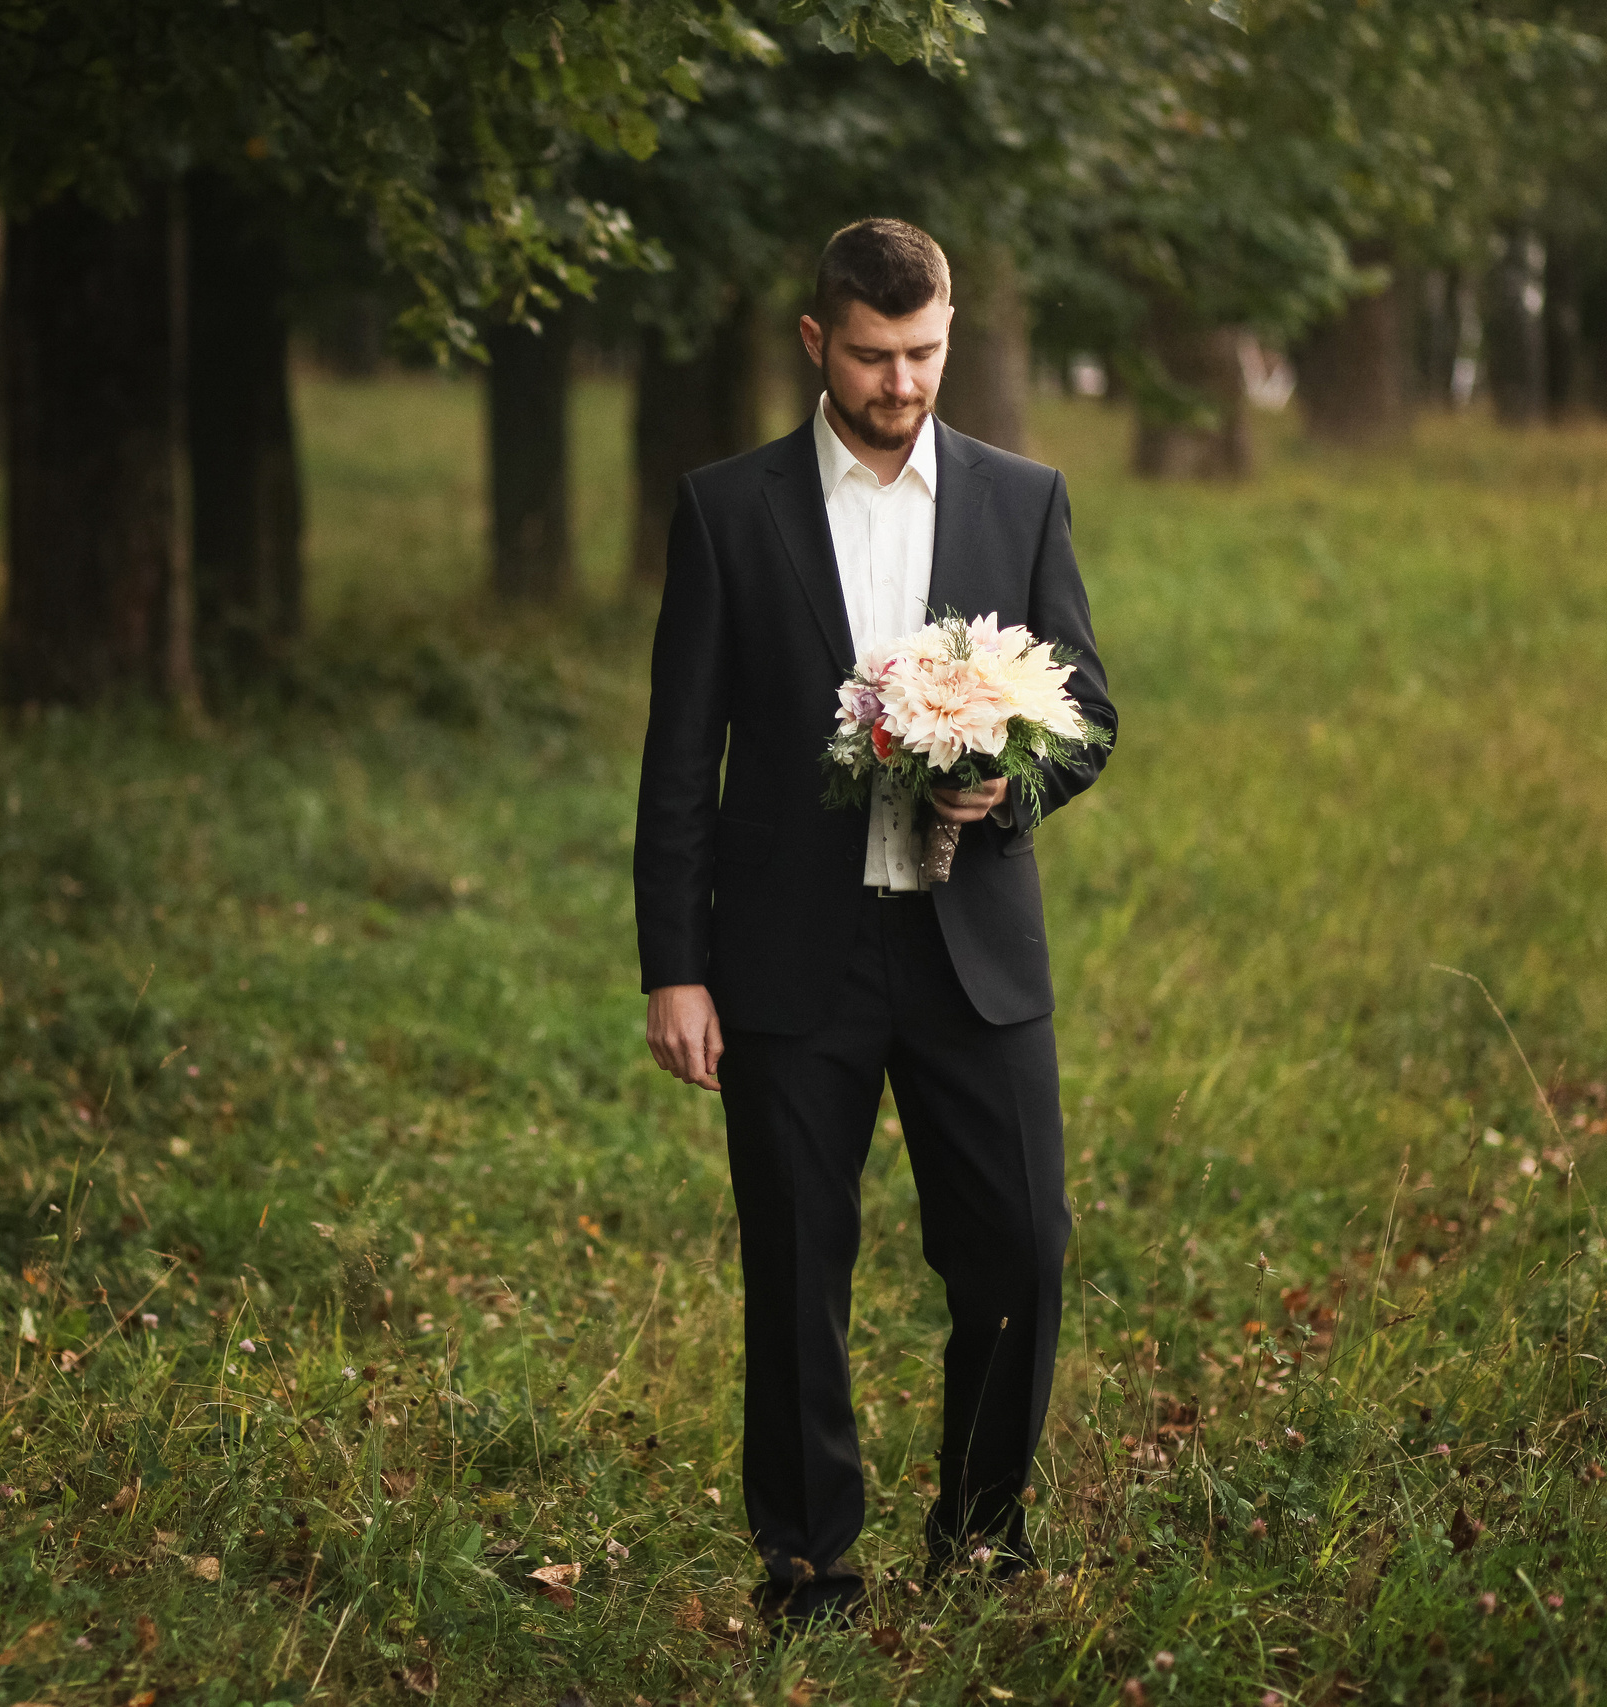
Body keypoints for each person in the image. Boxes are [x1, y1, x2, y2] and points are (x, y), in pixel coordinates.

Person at [632, 218, 1115, 1630]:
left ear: (949, 335)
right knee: (795, 1265)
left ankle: (979, 1531)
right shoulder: (729, 507)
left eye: (923, 353)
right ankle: (809, 1561)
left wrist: (1006, 793)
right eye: (871, 354)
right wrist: (677, 966)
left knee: (1023, 1245)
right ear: (814, 345)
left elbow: (1085, 714)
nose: (901, 382)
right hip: (791, 953)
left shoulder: (1024, 499)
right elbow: (680, 757)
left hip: (974, 953)